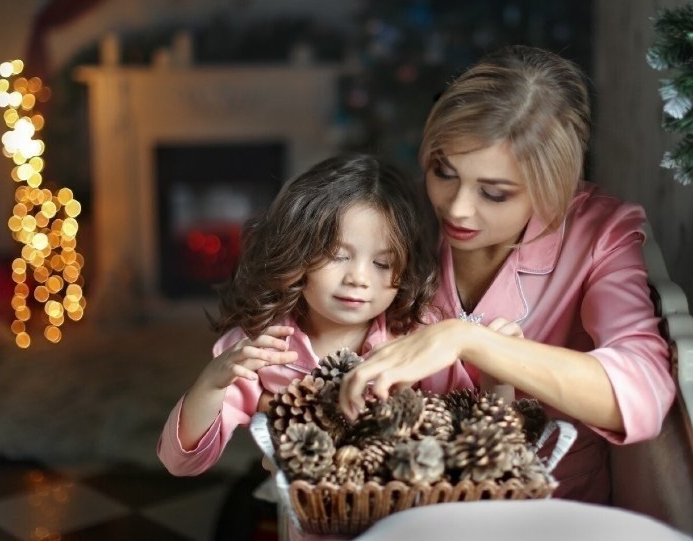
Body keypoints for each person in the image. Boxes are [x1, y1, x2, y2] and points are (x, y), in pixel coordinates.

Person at [338, 45, 677, 505]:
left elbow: (642, 392)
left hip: (549, 519)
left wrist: (470, 341)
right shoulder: (397, 218)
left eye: (494, 194)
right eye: (444, 172)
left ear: (552, 188)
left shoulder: (599, 234)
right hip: (405, 513)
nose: (456, 208)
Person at [156, 153, 475, 482]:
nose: (359, 278)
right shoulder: (261, 346)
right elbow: (180, 462)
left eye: (382, 264)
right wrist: (210, 384)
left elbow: (473, 433)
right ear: (298, 251)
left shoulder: (418, 336)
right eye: (338, 255)